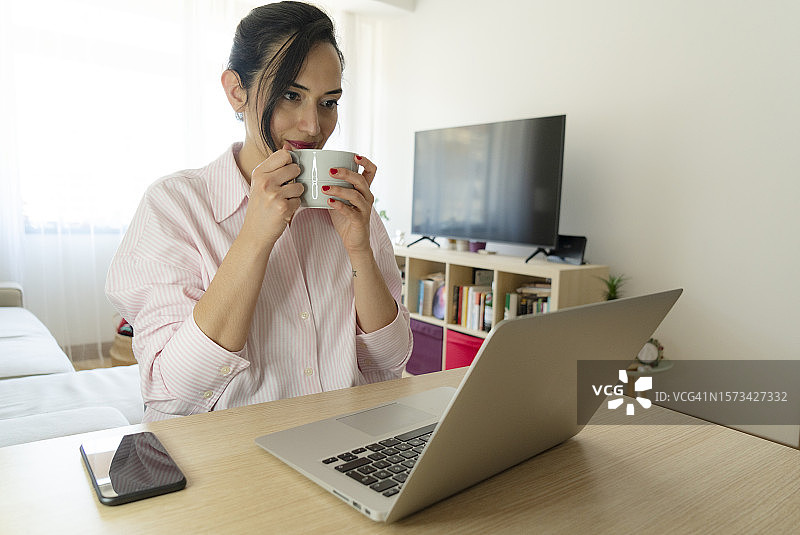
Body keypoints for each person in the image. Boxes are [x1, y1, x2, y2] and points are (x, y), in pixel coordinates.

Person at [106, 1, 412, 422]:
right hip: (235, 460)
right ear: (236, 90)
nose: (312, 126)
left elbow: (389, 364)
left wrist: (359, 248)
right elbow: (173, 393)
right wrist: (254, 236)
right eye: (291, 95)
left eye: (328, 102)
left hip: (348, 445)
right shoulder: (174, 206)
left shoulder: (348, 208)